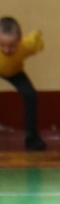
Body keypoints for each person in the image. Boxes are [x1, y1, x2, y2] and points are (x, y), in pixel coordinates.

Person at [0, 17, 46, 150]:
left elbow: (37, 40)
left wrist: (39, 35)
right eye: (2, 45)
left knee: (30, 94)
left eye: (12, 46)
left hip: (15, 72)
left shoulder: (26, 45)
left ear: (19, 40)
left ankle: (31, 136)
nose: (7, 50)